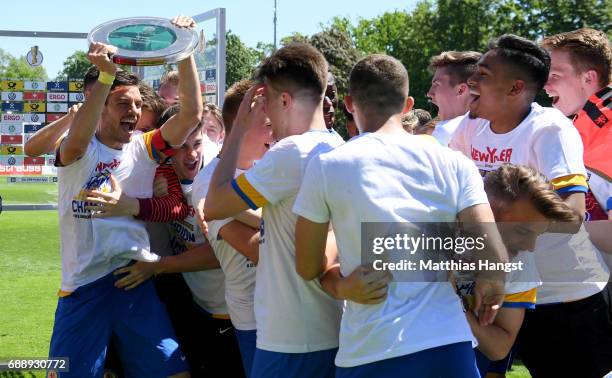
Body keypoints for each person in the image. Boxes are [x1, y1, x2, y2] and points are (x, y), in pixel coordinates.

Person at [293, 53, 508, 378]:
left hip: (371, 349)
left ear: (350, 103)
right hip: (447, 345)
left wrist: (339, 286)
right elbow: (492, 257)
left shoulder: (327, 166)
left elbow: (308, 266)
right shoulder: (454, 162)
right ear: (408, 105)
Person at [48, 15, 202, 378]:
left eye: (136, 103)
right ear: (100, 107)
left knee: (174, 373)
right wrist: (104, 77)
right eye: (122, 103)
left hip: (133, 280)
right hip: (84, 287)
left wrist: (185, 48)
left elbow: (192, 113)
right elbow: (79, 140)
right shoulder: (78, 150)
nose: (133, 111)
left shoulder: (144, 147)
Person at [448, 34, 611, 378]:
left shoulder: (549, 129)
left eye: (484, 75)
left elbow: (572, 214)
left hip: (567, 296)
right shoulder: (469, 128)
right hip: (513, 290)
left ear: (515, 89)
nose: (471, 81)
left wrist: (503, 226)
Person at [204, 43, 344, 378]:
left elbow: (214, 205)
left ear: (284, 100)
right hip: (332, 329)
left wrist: (237, 128)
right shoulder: (338, 146)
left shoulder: (290, 153)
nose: (264, 115)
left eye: (265, 104)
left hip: (291, 338)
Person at [458, 164, 579, 377]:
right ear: (486, 210)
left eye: (537, 234)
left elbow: (498, 348)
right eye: (523, 231)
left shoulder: (522, 260)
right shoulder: (435, 238)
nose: (530, 246)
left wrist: (454, 307)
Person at [191, 78, 274, 377]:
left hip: (283, 313)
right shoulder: (209, 183)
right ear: (242, 122)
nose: (275, 130)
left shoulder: (271, 167)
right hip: (252, 319)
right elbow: (259, 251)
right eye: (267, 123)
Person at [542, 28, 611, 223]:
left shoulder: (605, 130)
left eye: (554, 75)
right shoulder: (580, 127)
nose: (545, 85)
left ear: (588, 78)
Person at [427, 50, 481, 145]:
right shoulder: (494, 130)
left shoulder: (445, 132)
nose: (429, 93)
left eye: (436, 84)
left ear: (461, 90)